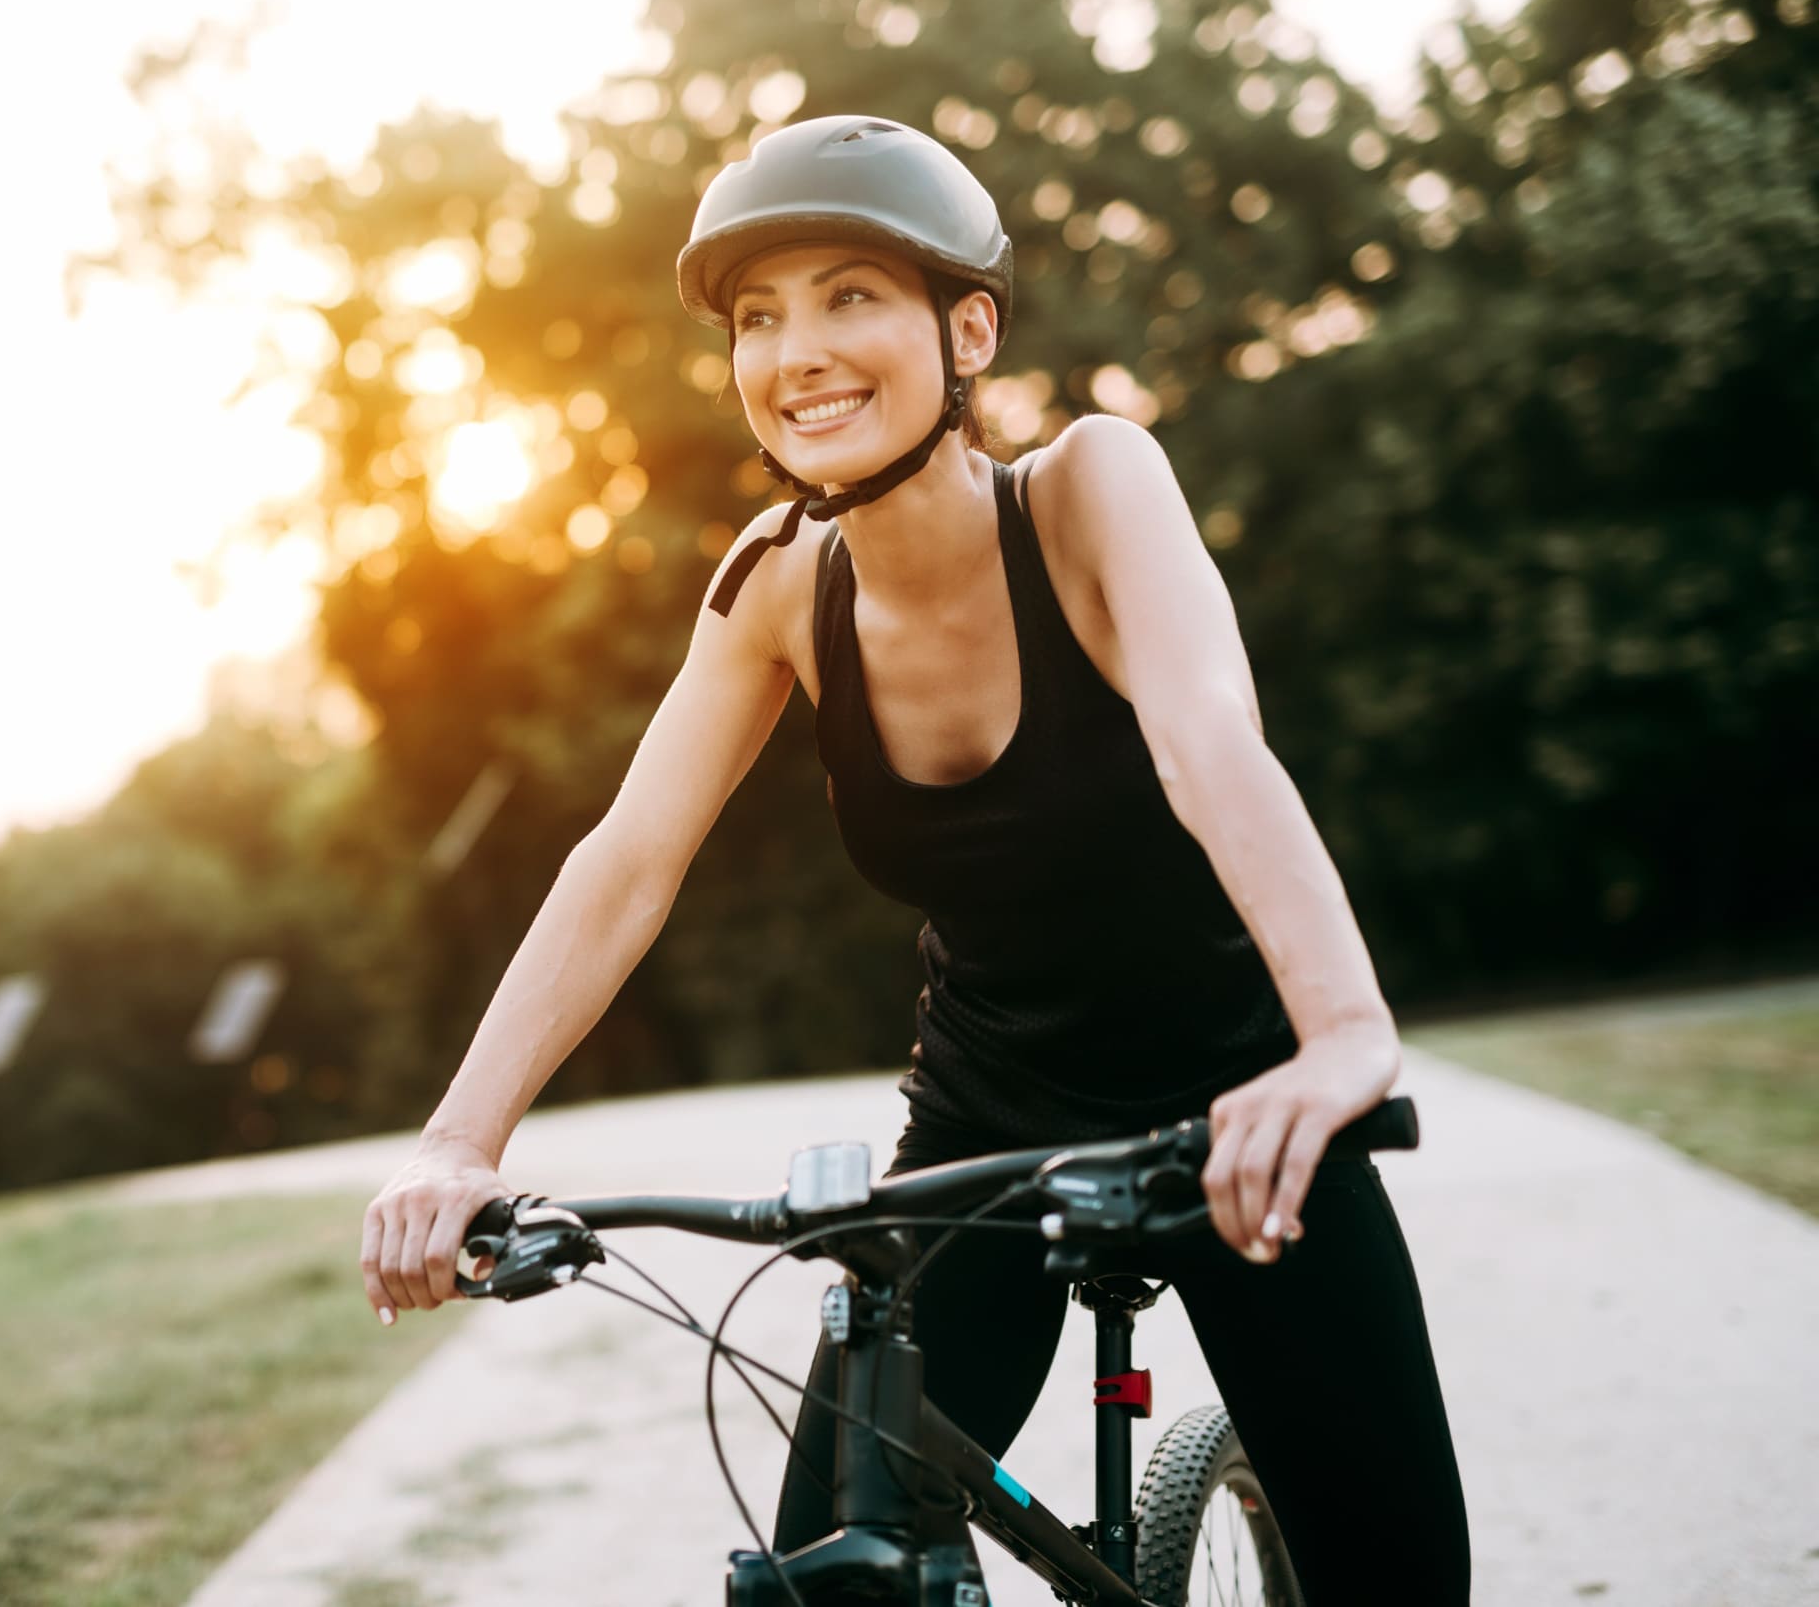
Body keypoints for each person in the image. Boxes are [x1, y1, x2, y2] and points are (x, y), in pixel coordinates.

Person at [358, 114, 1470, 1600]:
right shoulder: (768, 587)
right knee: (838, 1569)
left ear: (970, 327)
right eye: (760, 317)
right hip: (988, 1114)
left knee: (1399, 1580)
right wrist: (458, 1137)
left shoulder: (1090, 490)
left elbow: (1211, 748)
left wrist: (1341, 1038)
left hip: (1240, 1089)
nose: (796, 349)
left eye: (849, 295)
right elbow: (627, 862)